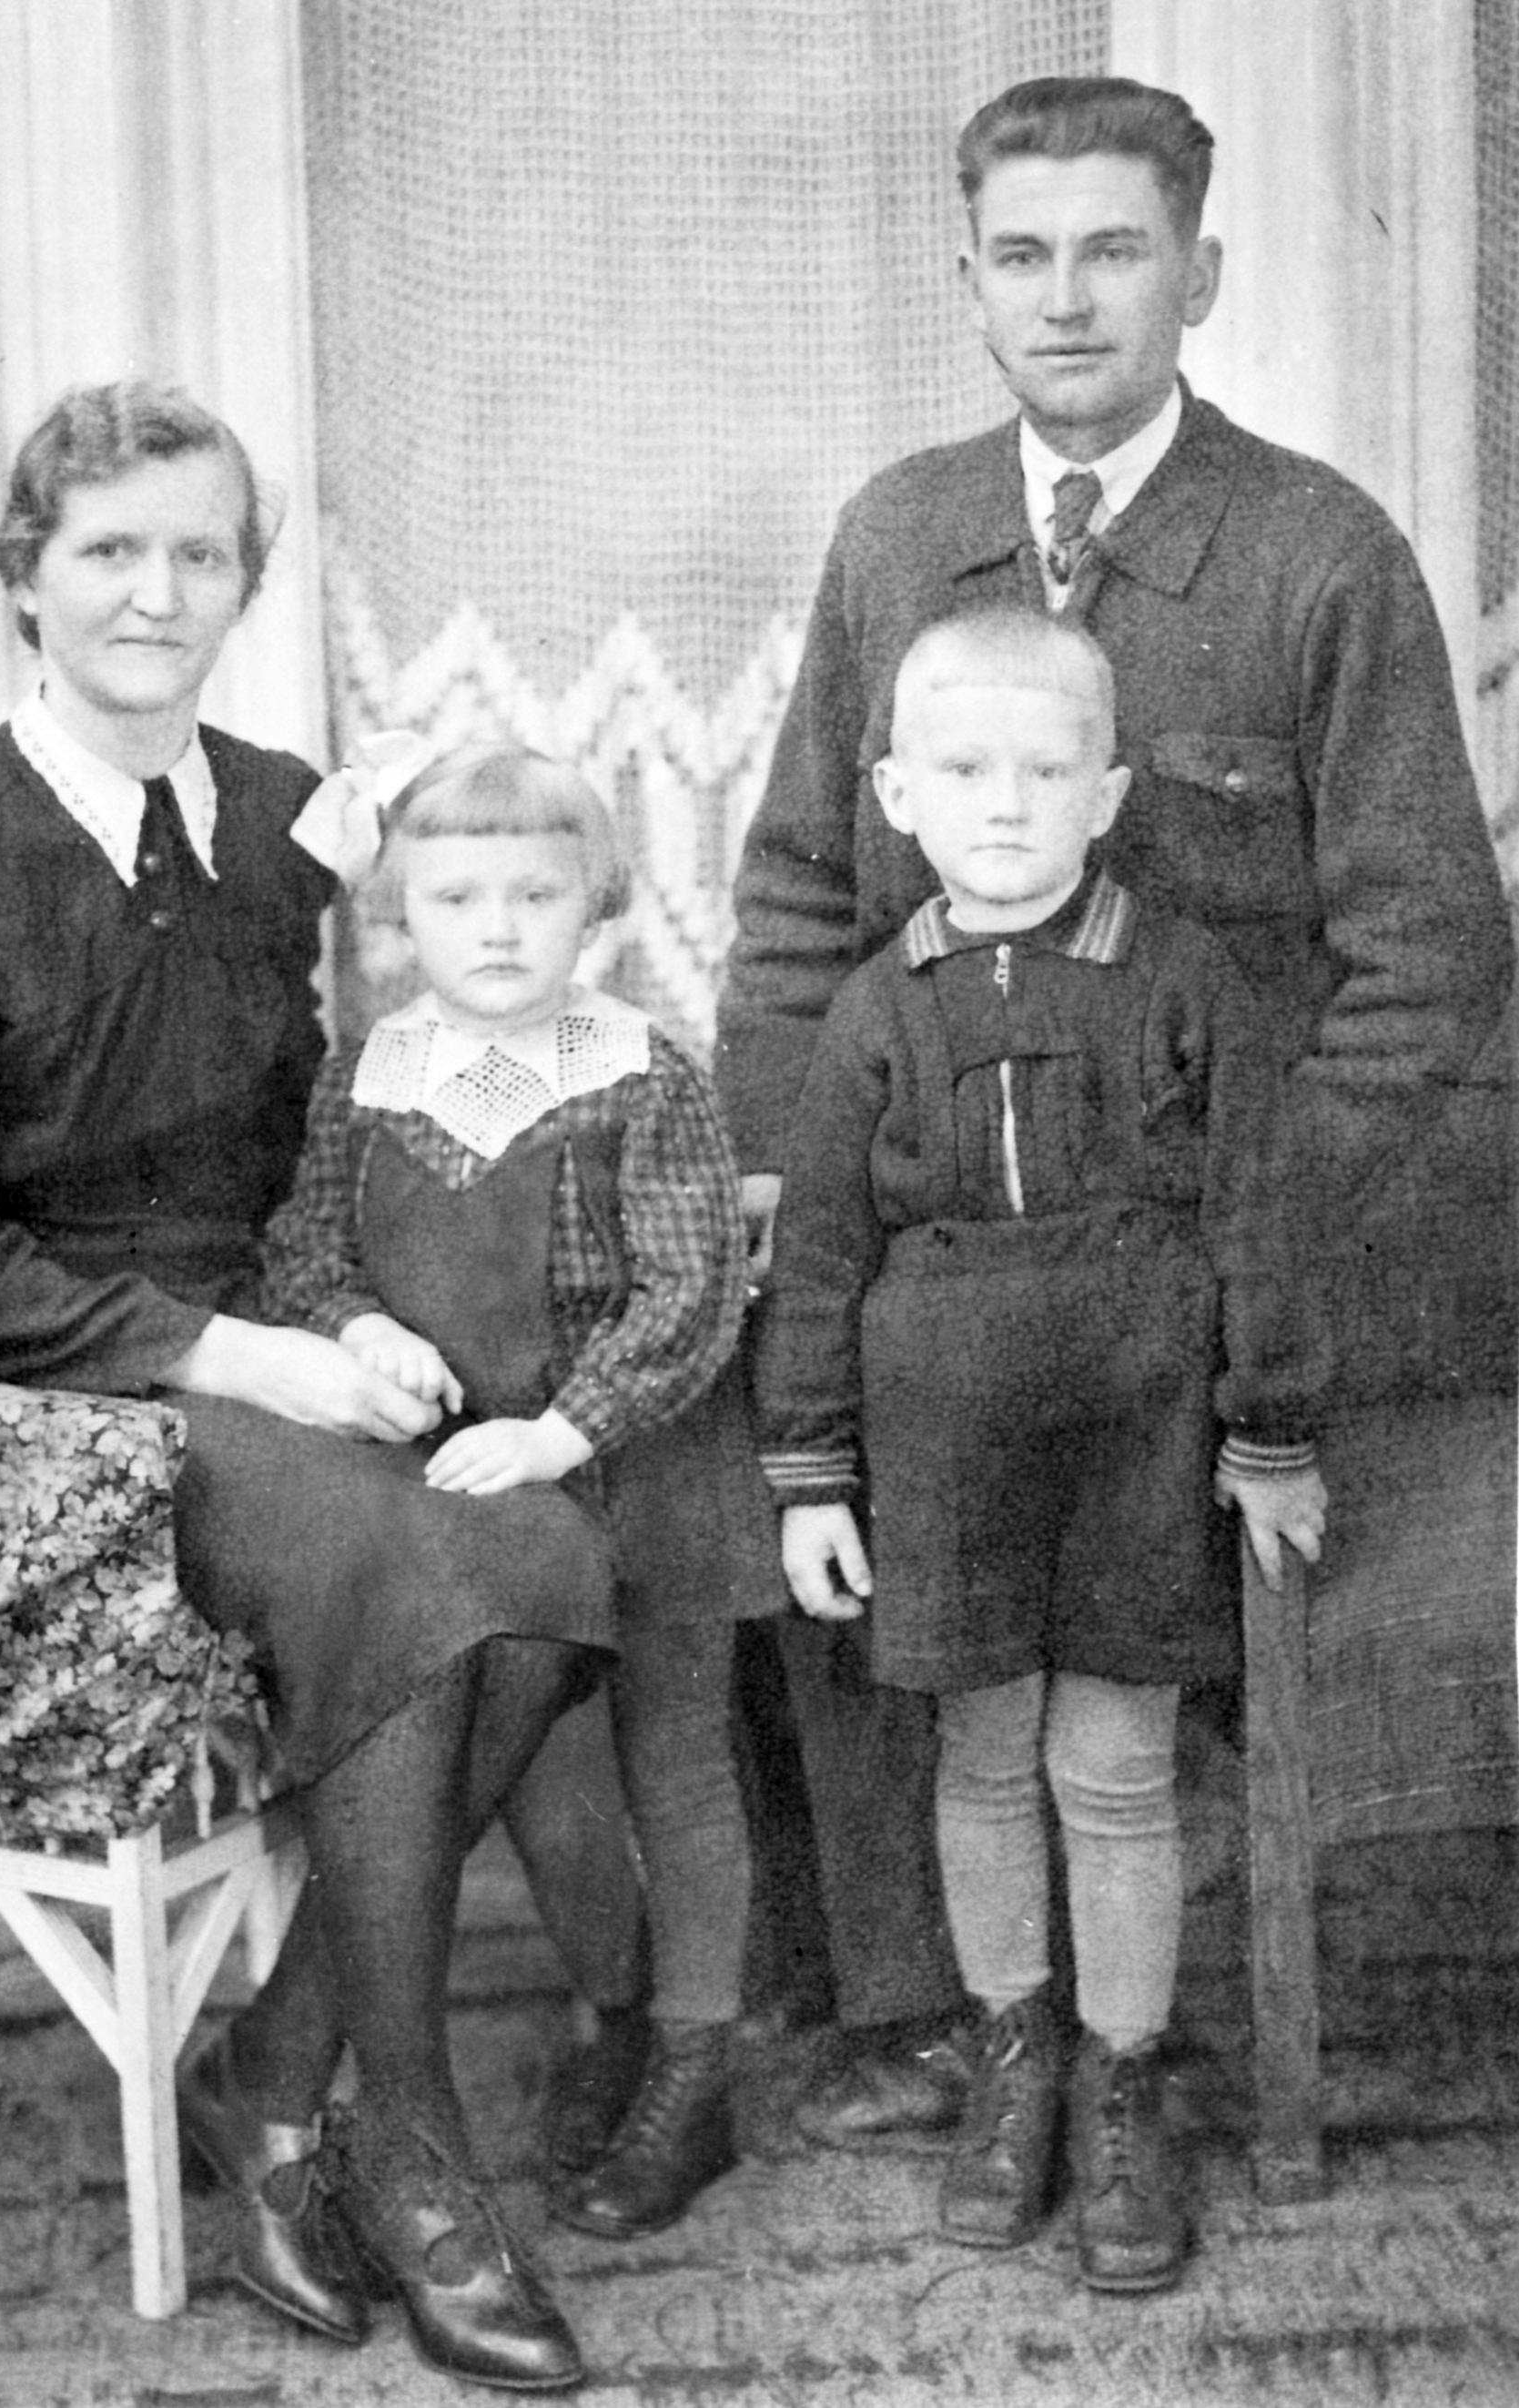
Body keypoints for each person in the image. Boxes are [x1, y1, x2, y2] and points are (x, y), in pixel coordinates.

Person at [716, 73, 1513, 2144]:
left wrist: (1255, 1225)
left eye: (1112, 251)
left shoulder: (1314, 556)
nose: (1064, 299)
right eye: (1022, 256)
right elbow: (799, 898)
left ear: (1198, 274)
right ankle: (918, 2008)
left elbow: (1428, 957)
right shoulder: (900, 537)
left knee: (1109, 1617)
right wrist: (791, 1187)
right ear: (967, 282)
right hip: (937, 1250)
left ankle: (1130, 2037)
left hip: (1224, 1265)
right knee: (765, 1417)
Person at [0, 381, 632, 2393]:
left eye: (198, 553)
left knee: (550, 1552)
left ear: (243, 585)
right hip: (41, 1401)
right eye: (108, 550)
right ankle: (421, 2158)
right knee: (412, 1573)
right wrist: (226, 1351)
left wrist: (346, 1310)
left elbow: (312, 1145)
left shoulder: (283, 815)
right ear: (24, 578)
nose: (156, 592)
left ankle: (279, 2081)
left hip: (272, 1335)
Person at [756, 605, 1330, 2292]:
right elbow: (822, 1258)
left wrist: (1268, 1431)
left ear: (1108, 791)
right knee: (983, 1758)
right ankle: (1015, 2055)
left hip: (1137, 1442)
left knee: (1119, 1767)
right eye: (961, 770)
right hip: (943, 1459)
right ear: (895, 795)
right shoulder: (875, 1009)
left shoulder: (1182, 978)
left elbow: (1258, 1217)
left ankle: (1122, 2079)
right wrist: (811, 1475)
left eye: (1043, 768)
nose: (1002, 804)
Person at [261, 740, 780, 2244]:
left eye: (535, 895)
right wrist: (358, 1325)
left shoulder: (641, 1072)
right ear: (399, 915)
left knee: (674, 1764)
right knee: (547, 1783)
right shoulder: (368, 1076)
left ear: (596, 908)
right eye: (456, 896)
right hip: (476, 1497)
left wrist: (565, 1430)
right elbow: (309, 1249)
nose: (495, 927)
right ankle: (614, 2009)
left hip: (641, 1464)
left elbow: (688, 1288)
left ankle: (695, 2065)